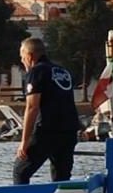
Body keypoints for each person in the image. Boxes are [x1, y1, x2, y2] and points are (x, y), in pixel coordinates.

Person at [14, 37, 79, 184]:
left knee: (20, 171)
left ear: (29, 56)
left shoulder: (37, 71)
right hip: (69, 131)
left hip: (47, 131)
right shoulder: (63, 71)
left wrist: (24, 141)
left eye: (22, 57)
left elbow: (32, 107)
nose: (22, 61)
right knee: (61, 177)